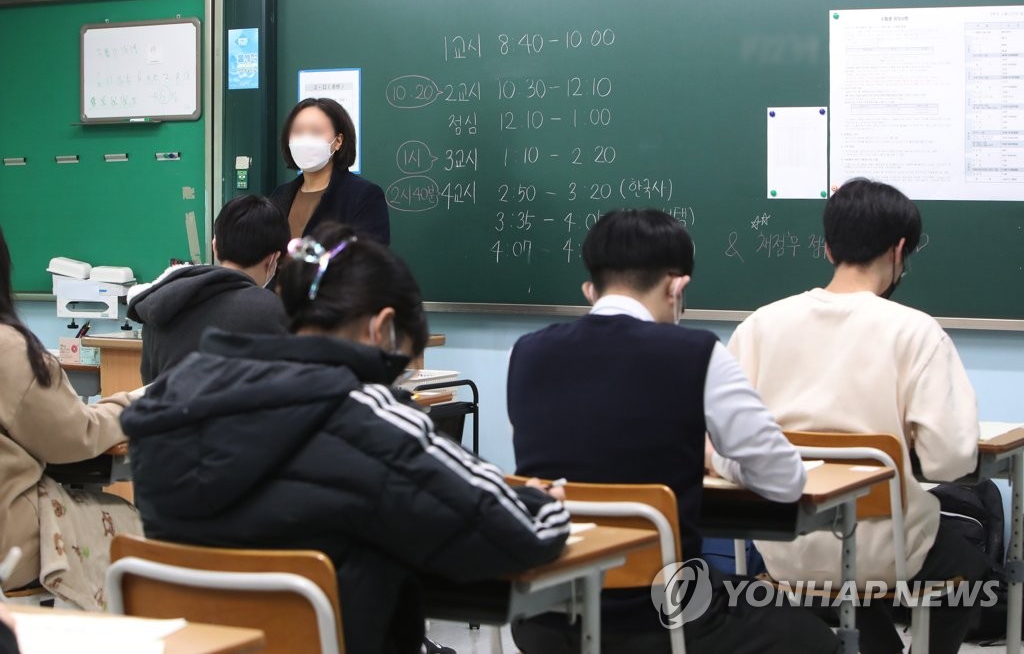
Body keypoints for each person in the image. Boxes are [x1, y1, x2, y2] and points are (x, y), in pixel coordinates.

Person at [121, 222, 569, 654]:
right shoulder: (370, 418)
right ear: (383, 328)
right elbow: (519, 531)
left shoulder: (166, 410)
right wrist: (544, 501)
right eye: (403, 362)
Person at [507, 209, 840, 653]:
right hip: (665, 615)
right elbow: (785, 481)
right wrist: (714, 457)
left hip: (546, 615)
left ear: (591, 289)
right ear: (677, 286)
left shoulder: (527, 353)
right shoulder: (697, 353)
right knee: (816, 639)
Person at [728, 178, 989, 654]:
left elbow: (726, 439)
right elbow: (951, 460)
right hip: (888, 551)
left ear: (828, 248)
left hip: (784, 545)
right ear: (900, 250)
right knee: (968, 566)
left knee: (848, 567)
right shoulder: (916, 332)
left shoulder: (759, 326)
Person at [0, 225, 142, 610]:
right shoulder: (9, 351)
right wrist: (133, 404)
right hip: (9, 544)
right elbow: (75, 437)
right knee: (130, 524)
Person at [127, 194, 289, 384]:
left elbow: (149, 386)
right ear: (273, 259)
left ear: (215, 247)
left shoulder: (160, 302)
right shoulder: (272, 311)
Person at [270, 98, 389, 244]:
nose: (305, 139)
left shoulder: (364, 196)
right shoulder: (279, 196)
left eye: (316, 131)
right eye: (298, 131)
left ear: (338, 141)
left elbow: (368, 260)